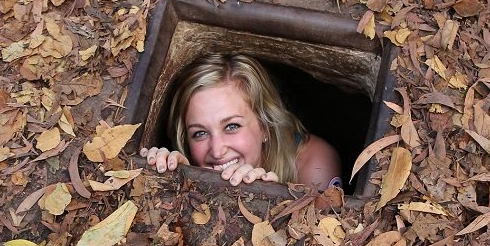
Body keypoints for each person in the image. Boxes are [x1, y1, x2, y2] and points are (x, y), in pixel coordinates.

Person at [140, 53, 342, 189]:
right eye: (200, 133)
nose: (217, 151)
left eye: (231, 126)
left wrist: (266, 200)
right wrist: (175, 179)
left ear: (265, 125)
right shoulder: (195, 160)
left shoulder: (314, 164)